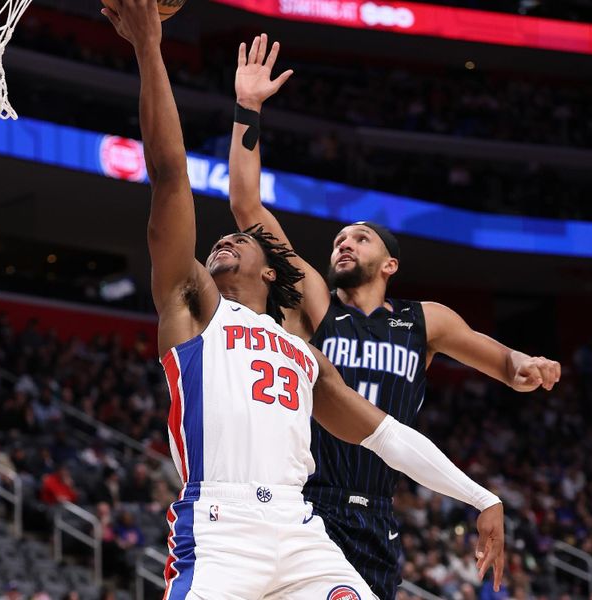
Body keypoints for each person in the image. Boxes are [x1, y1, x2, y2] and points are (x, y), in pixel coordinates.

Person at [101, 3, 504, 598]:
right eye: (221, 239)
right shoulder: (193, 307)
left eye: (237, 239)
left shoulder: (303, 352)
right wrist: (149, 48)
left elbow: (386, 434)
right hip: (221, 528)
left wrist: (481, 495)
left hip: (299, 530)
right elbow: (168, 174)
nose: (222, 241)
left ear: (271, 271)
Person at [226, 34, 562, 600]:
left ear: (391, 263)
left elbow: (504, 363)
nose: (344, 244)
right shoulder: (315, 301)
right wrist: (248, 108)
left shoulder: (424, 319)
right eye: (338, 238)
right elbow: (246, 205)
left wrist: (527, 364)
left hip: (378, 514)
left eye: (360, 237)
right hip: (306, 502)